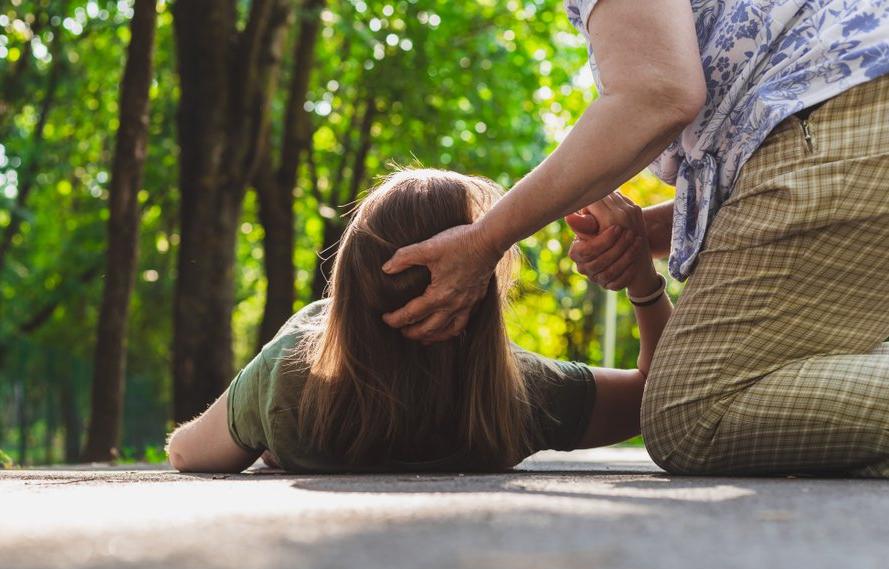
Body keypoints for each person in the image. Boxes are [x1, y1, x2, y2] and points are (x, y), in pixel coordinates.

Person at [380, 1, 889, 477]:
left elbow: (657, 93)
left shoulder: (515, 394)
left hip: (844, 107)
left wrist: (486, 239)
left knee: (692, 417)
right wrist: (642, 239)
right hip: (856, 103)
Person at [165, 169, 671, 473]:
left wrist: (270, 415)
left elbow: (186, 454)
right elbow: (659, 397)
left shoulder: (290, 377)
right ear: (478, 294)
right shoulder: (519, 394)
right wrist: (644, 285)